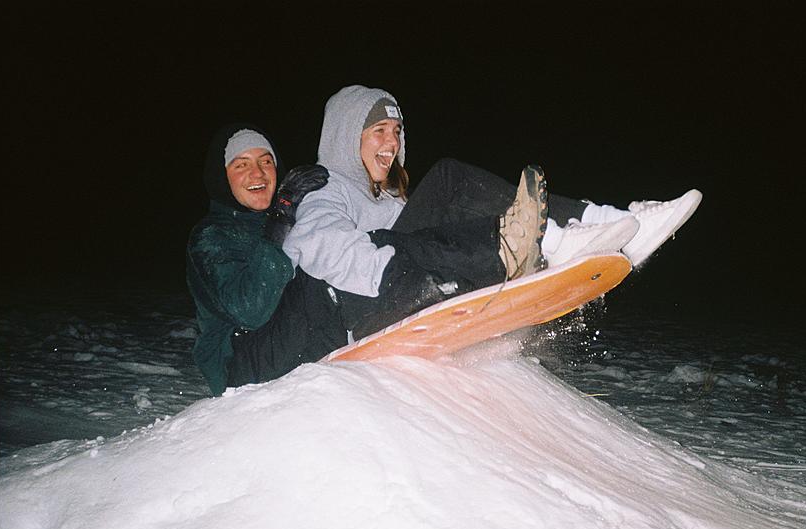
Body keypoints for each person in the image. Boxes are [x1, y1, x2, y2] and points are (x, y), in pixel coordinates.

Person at [283, 85, 702, 341]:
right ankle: (576, 229)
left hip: (399, 285)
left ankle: (573, 234)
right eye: (379, 131)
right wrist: (393, 274)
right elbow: (315, 244)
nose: (391, 143)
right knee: (448, 181)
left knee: (458, 220)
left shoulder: (392, 203)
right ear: (345, 136)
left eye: (396, 132)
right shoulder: (326, 188)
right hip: (367, 305)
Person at [186, 123, 346, 395]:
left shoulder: (283, 219)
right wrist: (281, 218)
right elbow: (250, 310)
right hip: (237, 362)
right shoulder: (211, 235)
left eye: (266, 161)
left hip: (286, 341)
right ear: (222, 177)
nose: (257, 173)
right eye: (241, 165)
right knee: (316, 280)